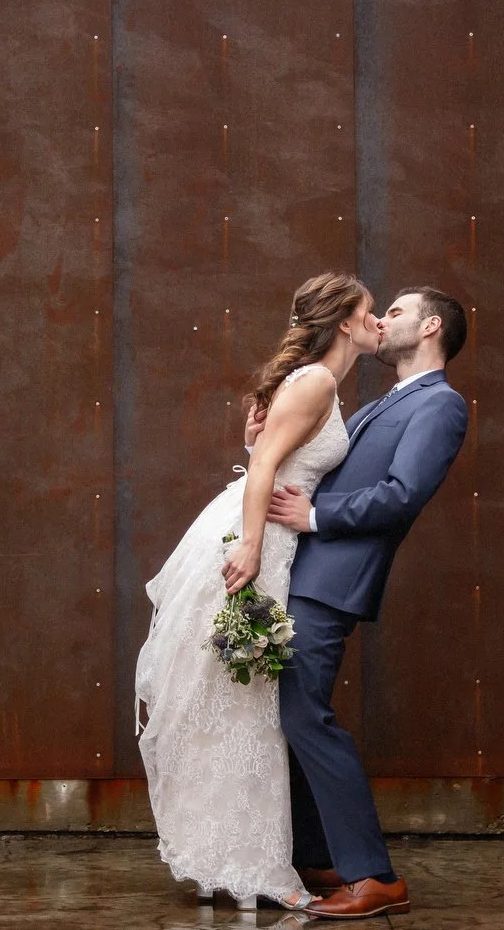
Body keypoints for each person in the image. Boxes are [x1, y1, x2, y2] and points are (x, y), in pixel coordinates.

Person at [134, 272, 381, 911]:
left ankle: (248, 857)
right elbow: (266, 466)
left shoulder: (314, 384)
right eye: (372, 312)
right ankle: (253, 863)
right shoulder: (320, 381)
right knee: (244, 703)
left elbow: (264, 448)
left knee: (250, 705)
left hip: (273, 534)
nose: (378, 323)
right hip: (262, 537)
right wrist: (249, 544)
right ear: (347, 321)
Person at [257, 286, 469, 919]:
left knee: (304, 716)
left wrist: (316, 517)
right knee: (289, 716)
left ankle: (375, 876)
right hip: (302, 571)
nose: (383, 319)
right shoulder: (385, 402)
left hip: (334, 579)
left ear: (431, 327)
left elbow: (403, 495)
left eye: (397, 311)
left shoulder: (442, 406)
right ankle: (320, 857)